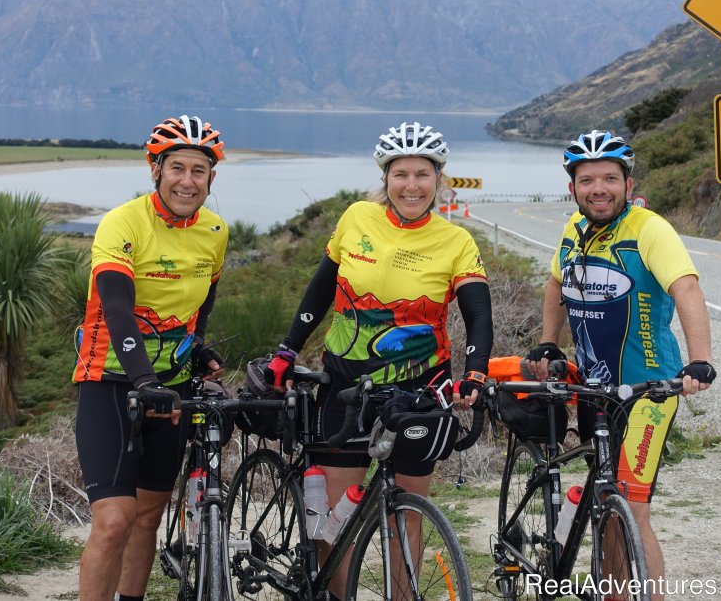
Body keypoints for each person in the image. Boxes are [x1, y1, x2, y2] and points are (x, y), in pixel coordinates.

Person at [266, 121, 493, 600]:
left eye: (423, 175)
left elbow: (477, 314)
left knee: (407, 513)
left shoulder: (456, 242)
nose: (412, 186)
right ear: (385, 180)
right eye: (401, 174)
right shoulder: (356, 218)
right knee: (334, 518)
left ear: (439, 180)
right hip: (343, 386)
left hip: (417, 392)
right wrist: (289, 347)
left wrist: (475, 371)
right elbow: (322, 286)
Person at [527, 130, 716, 600]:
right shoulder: (574, 229)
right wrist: (549, 343)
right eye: (587, 179)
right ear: (573, 188)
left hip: (648, 392)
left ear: (628, 184)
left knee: (630, 506)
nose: (599, 188)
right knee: (605, 501)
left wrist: (700, 361)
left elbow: (686, 288)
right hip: (594, 390)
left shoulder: (649, 229)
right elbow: (555, 284)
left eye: (610, 178)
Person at [72, 115, 229, 601]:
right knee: (115, 521)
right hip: (112, 381)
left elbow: (203, 301)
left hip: (173, 388)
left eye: (198, 170)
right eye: (176, 167)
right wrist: (142, 379)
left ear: (211, 178)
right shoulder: (123, 222)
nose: (187, 180)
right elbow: (116, 309)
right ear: (155, 170)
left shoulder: (215, 231)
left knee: (147, 518)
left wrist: (196, 346)